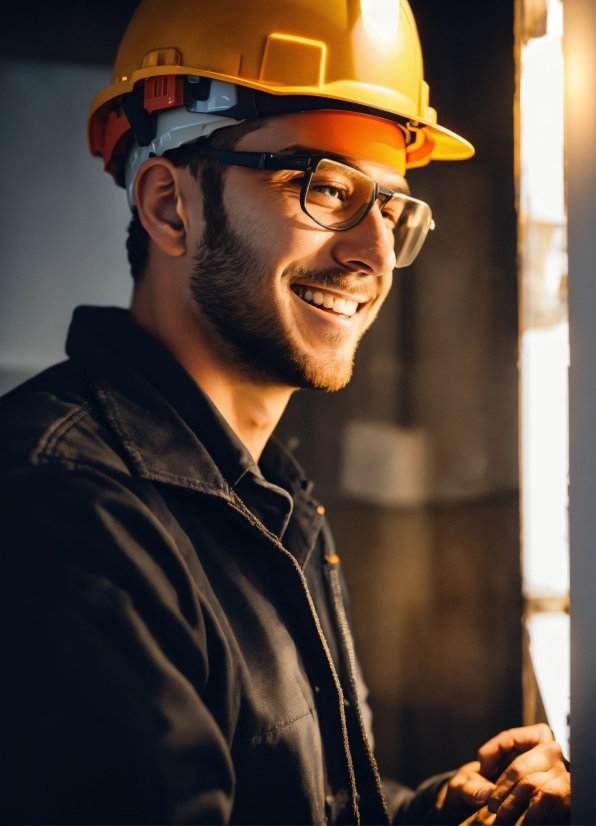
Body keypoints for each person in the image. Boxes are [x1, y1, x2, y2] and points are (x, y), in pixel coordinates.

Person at [0, 0, 570, 823]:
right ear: (170, 207)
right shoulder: (64, 510)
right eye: (327, 188)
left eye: (390, 208)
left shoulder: (264, 497)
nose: (374, 255)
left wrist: (450, 812)